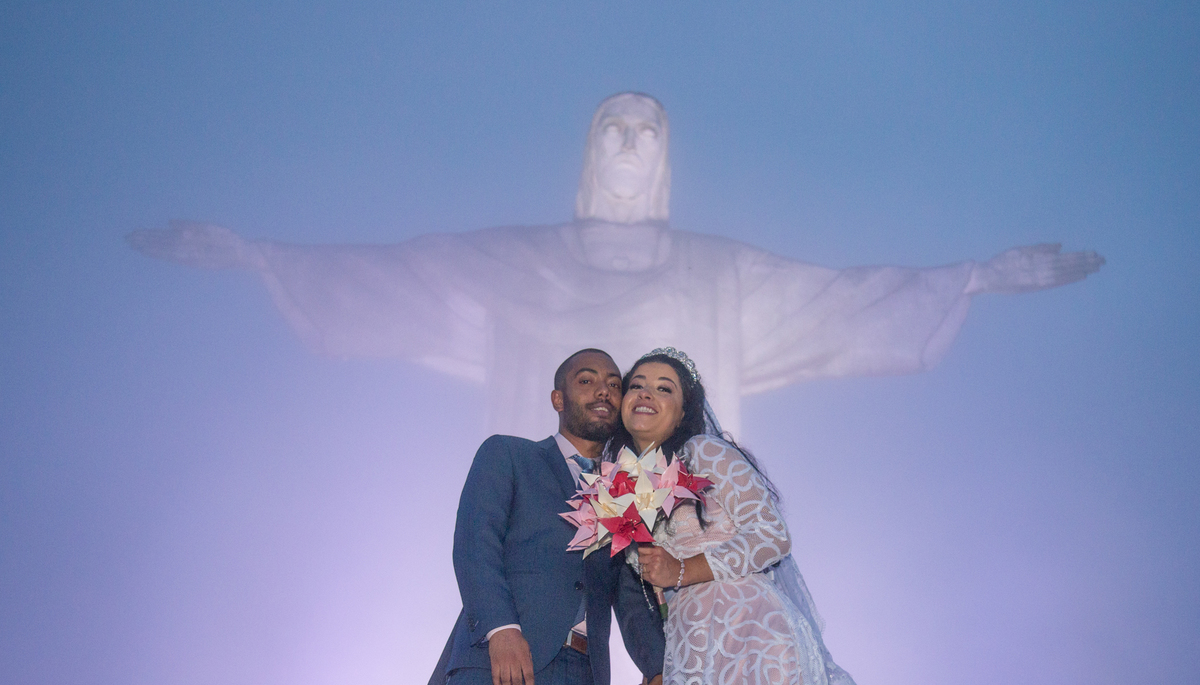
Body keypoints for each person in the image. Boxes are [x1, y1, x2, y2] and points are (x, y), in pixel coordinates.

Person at [127, 92, 1104, 439]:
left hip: (679, 533)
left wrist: (975, 276)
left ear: (665, 161)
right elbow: (394, 279)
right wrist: (255, 255)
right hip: (546, 534)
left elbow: (841, 303)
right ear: (592, 154)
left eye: (648, 131)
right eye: (616, 129)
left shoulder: (719, 272)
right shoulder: (518, 261)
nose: (632, 143)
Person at [613, 347, 875, 685]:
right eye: (638, 383)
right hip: (694, 649)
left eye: (664, 387)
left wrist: (683, 570)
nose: (646, 392)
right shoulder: (622, 488)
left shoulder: (703, 455)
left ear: (684, 409)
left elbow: (773, 536)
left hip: (752, 637)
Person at [418, 348, 667, 685]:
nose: (603, 390)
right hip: (498, 666)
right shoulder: (508, 454)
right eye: (586, 379)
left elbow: (629, 594)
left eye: (613, 383)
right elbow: (475, 542)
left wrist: (661, 672)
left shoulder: (624, 496)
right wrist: (502, 630)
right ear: (558, 398)